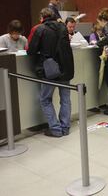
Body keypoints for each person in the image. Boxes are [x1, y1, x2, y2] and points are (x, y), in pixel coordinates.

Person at [27, 8, 74, 137]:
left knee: (45, 99)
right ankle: (65, 127)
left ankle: (55, 129)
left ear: (42, 17)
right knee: (65, 99)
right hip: (66, 68)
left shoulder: (40, 29)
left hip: (49, 69)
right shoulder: (63, 27)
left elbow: (30, 51)